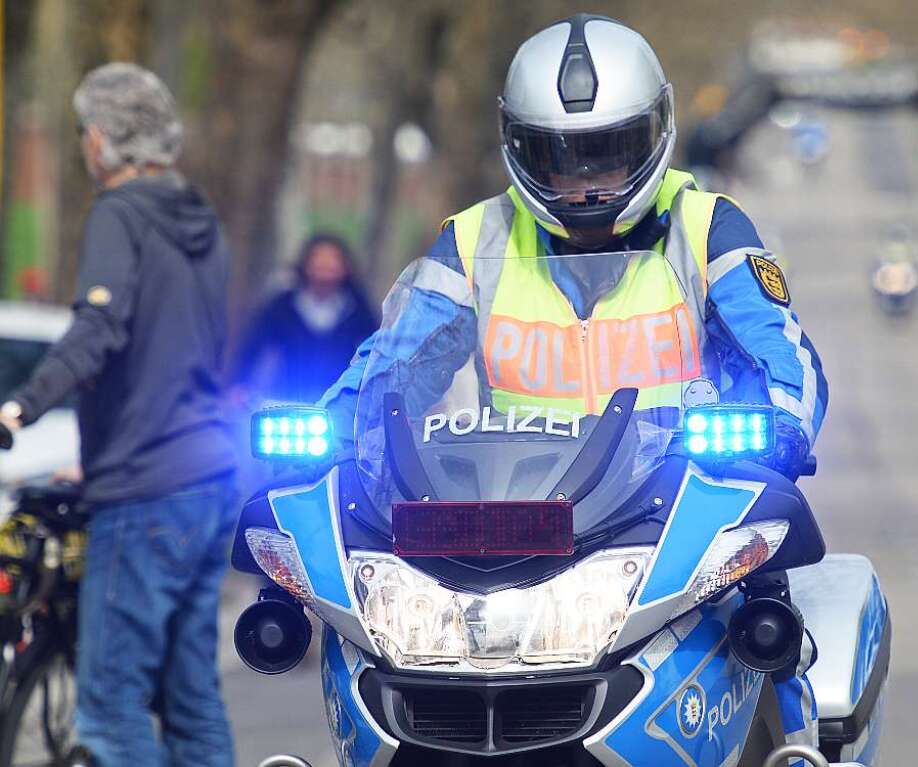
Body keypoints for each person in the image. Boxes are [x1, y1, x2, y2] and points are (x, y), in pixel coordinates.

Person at [320, 14, 826, 759]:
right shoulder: (474, 240)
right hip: (511, 521)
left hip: (672, 512)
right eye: (561, 158)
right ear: (519, 146)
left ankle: (800, 744)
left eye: (609, 153)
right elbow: (390, 362)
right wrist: (331, 428)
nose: (587, 183)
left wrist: (781, 422)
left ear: (655, 131)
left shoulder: (706, 227)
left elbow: (787, 355)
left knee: (769, 631)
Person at [0, 63, 236, 767]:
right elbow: (180, 353)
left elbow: (98, 331)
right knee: (192, 702)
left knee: (107, 707)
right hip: (207, 476)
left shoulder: (120, 214)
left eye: (82, 133)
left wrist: (19, 406)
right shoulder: (199, 217)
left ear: (100, 139)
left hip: (147, 492)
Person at [234, 233, 377, 404]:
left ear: (345, 267)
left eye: (332, 260)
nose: (325, 266)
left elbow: (375, 349)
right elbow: (253, 344)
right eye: (319, 259)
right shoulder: (283, 304)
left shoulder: (358, 309)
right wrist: (240, 383)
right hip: (286, 397)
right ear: (306, 264)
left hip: (339, 400)